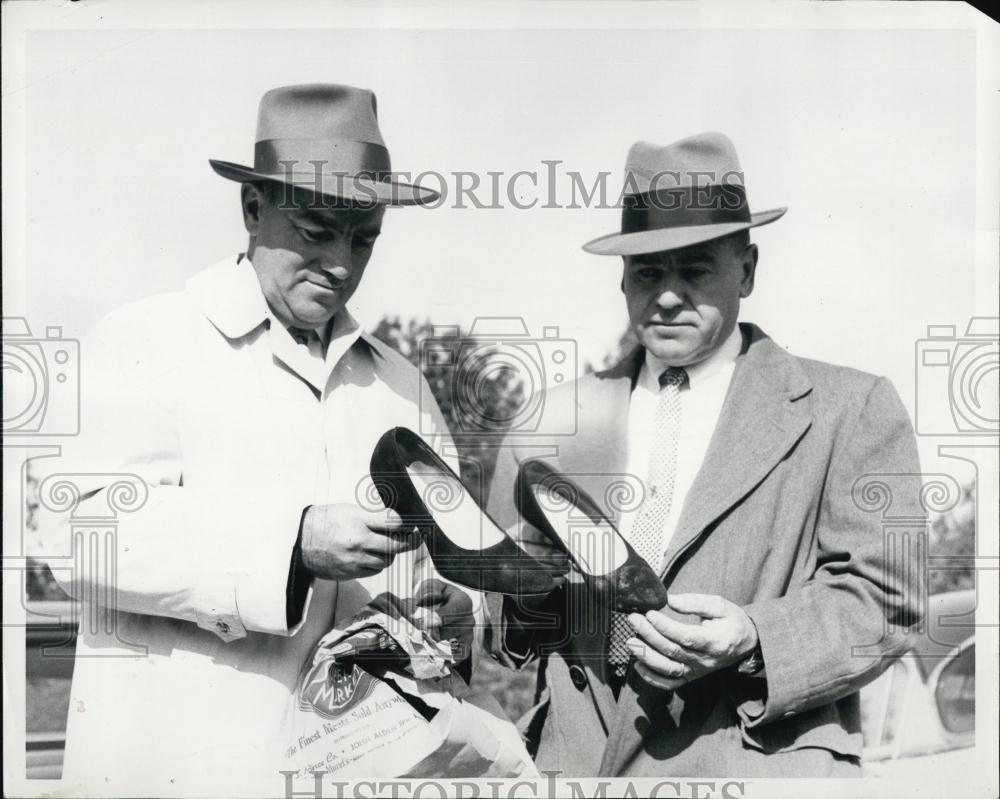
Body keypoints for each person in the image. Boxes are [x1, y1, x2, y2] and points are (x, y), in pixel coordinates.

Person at [33, 84, 478, 796]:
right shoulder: (147, 339)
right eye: (314, 229)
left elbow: (448, 558)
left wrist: (453, 607)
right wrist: (292, 542)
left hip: (354, 767)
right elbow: (74, 531)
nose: (340, 263)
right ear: (251, 209)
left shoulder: (401, 385)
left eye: (363, 238)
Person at [486, 132, 924, 777]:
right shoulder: (550, 421)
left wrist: (752, 637)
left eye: (694, 270)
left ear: (747, 269)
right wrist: (524, 592)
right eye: (647, 272)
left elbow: (889, 603)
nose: (666, 295)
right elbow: (507, 625)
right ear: (622, 279)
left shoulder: (850, 408)